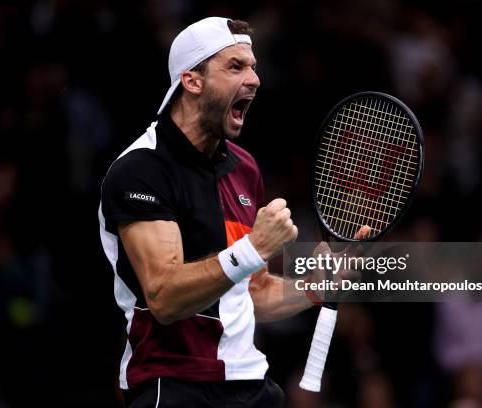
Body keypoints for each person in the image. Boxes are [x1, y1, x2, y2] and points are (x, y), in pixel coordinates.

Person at [99, 17, 368, 407]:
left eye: (254, 67)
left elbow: (252, 292)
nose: (254, 79)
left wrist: (314, 286)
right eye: (235, 66)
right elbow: (165, 297)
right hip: (173, 384)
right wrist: (254, 247)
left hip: (251, 386)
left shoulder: (244, 168)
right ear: (193, 81)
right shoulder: (142, 169)